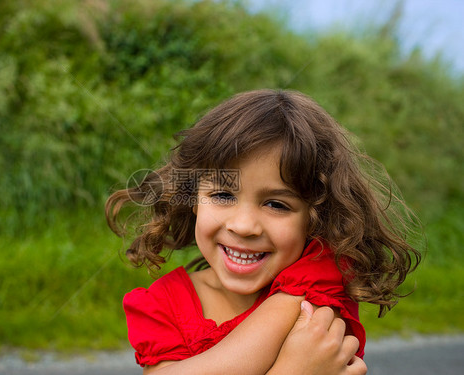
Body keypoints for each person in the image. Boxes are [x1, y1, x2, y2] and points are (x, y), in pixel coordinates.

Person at [106, 89, 421, 374]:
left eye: (276, 205)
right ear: (193, 198)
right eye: (223, 195)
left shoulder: (320, 283)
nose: (243, 226)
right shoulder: (162, 306)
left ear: (315, 218)